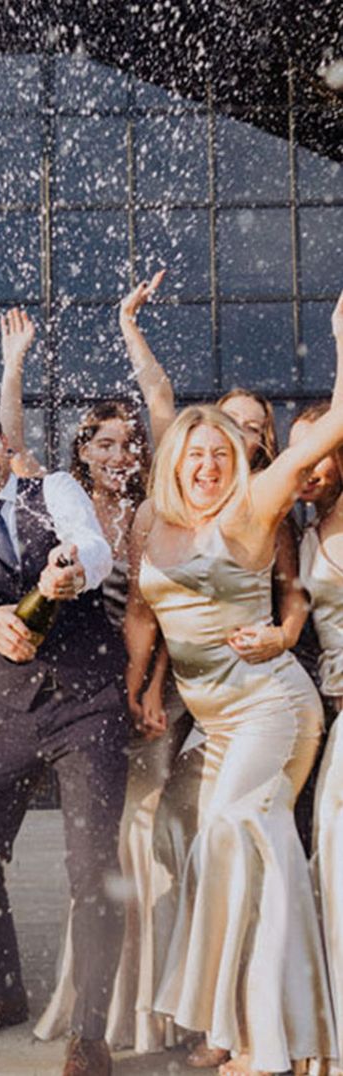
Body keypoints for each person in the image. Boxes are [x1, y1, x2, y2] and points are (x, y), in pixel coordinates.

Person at [125, 286, 343, 1076]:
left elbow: (335, 427)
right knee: (229, 851)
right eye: (195, 454)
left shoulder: (251, 508)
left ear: (237, 459)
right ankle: (243, 1024)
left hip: (272, 706)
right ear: (175, 464)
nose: (208, 462)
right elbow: (147, 619)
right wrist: (144, 685)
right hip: (215, 721)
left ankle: (270, 1035)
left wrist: (339, 335)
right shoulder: (160, 522)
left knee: (232, 834)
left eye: (221, 450)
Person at [0, 303, 191, 1053]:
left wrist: (128, 327)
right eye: (103, 440)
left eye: (128, 442)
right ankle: (102, 1012)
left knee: (142, 847)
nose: (119, 451)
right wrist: (14, 365)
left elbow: (166, 405)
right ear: (82, 449)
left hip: (143, 691)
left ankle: (148, 1002)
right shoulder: (59, 500)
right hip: (76, 694)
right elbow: (12, 449)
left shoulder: (154, 508)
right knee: (102, 854)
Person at [0, 391, 127, 1076]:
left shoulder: (57, 490)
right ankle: (4, 992)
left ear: (1, 440)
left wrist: (74, 568)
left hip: (87, 701)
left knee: (93, 868)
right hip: (6, 714)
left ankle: (91, 1032)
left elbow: (95, 547)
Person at [290, 401, 343, 1071]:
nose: (309, 468)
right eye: (299, 456)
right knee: (328, 862)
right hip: (334, 718)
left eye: (321, 451)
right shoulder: (304, 531)